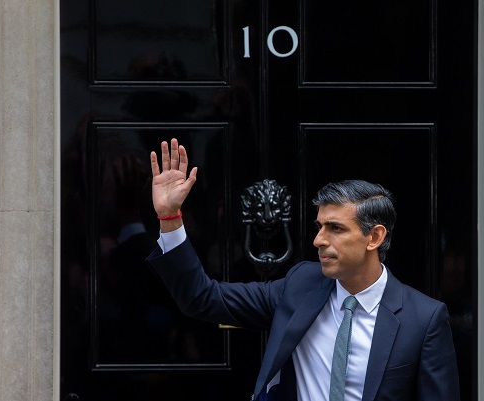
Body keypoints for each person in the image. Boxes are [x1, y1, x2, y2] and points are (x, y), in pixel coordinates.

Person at [146, 138, 461, 401]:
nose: (319, 240)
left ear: (374, 237)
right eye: (319, 226)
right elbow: (202, 297)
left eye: (335, 228)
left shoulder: (423, 319)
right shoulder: (300, 286)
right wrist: (170, 217)